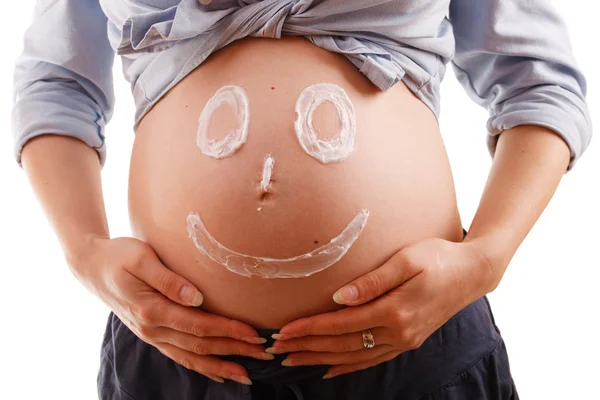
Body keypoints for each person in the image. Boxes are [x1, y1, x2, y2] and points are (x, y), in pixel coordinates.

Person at [11, 1, 592, 399]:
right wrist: (85, 251)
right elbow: (56, 84)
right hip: (177, 347)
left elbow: (540, 84)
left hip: (413, 338)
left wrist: (485, 261)